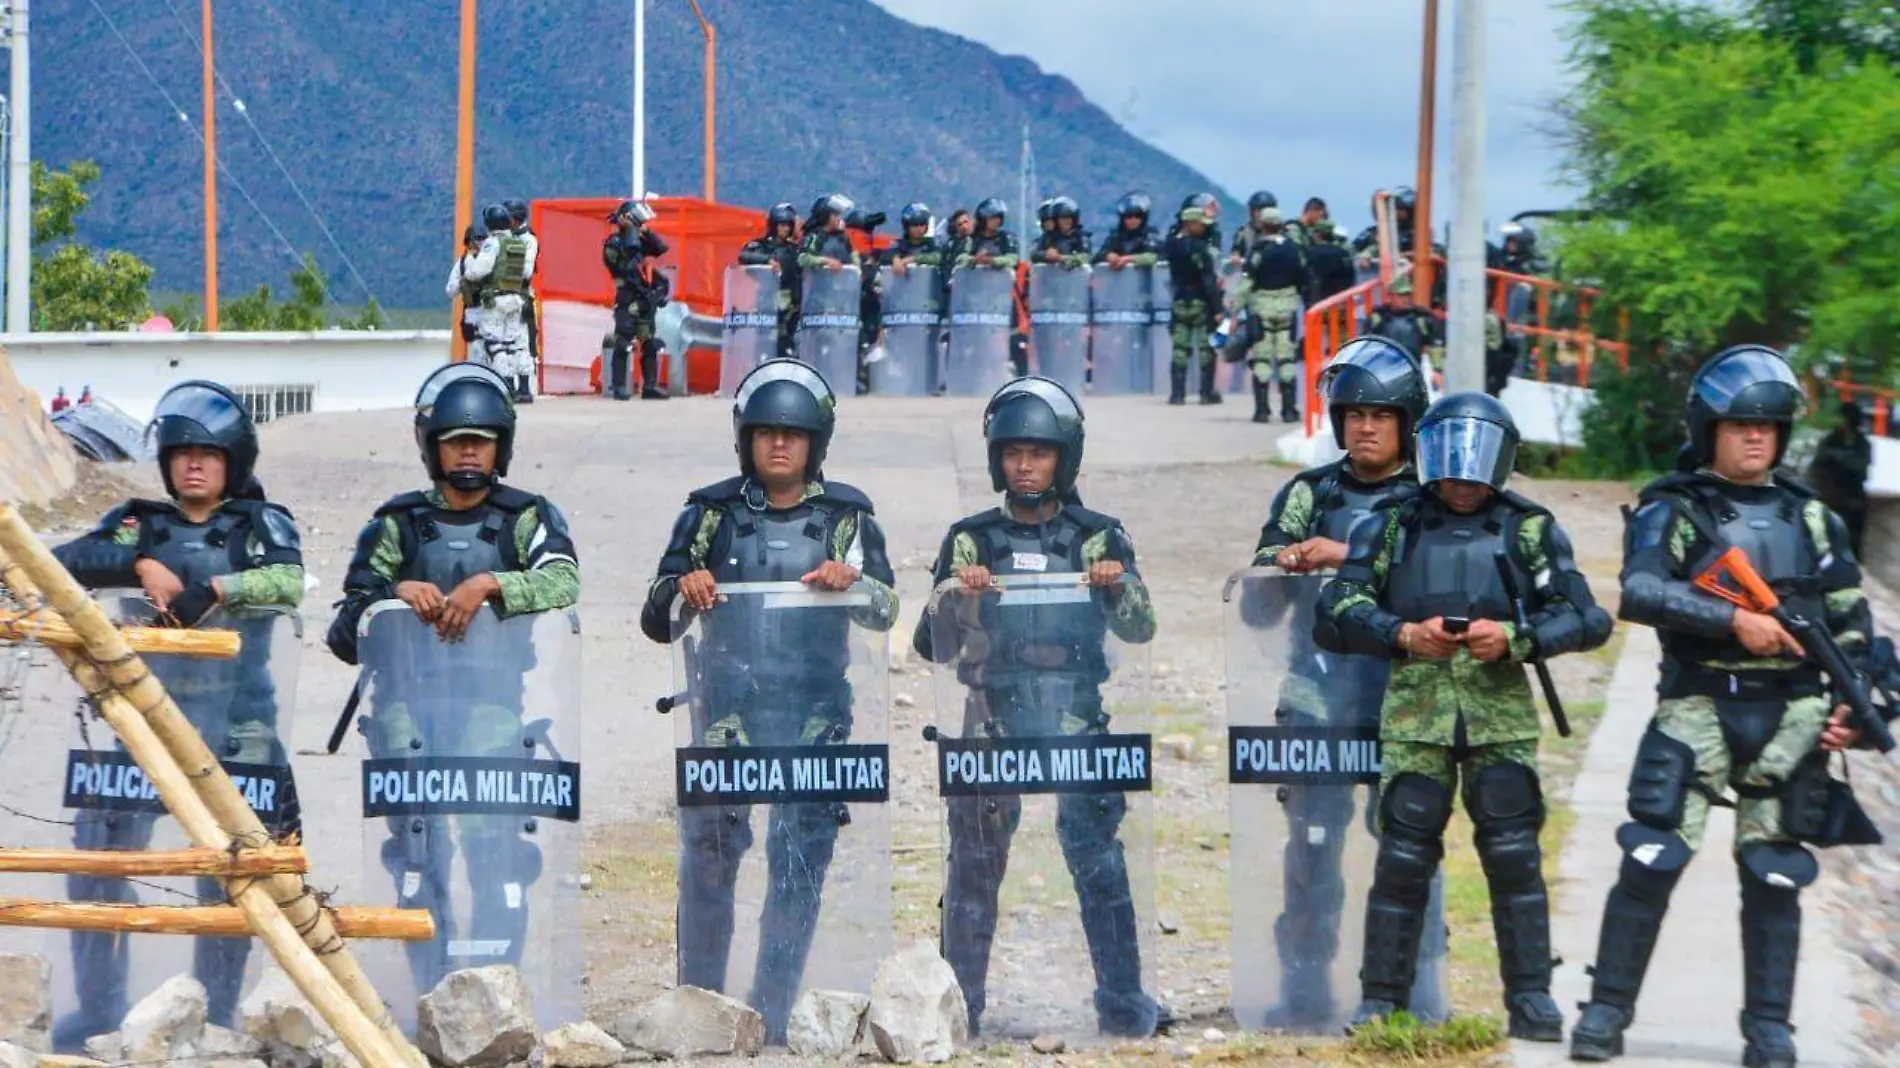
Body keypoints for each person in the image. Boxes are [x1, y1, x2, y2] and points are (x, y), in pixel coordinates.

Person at [1569, 347, 1877, 1068]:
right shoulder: (1675, 509)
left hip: (1794, 715)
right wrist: (1732, 621)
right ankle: (1605, 1012)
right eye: (1740, 425)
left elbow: (1851, 622)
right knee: (1651, 854)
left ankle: (1769, 1029)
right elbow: (1640, 593)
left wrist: (1856, 707)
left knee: (1774, 872)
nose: (1755, 438)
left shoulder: (1815, 520)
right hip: (1698, 704)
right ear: (1710, 429)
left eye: (1768, 427)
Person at [1316, 391, 1612, 1039]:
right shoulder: (1391, 524)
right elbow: (1335, 611)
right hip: (1416, 716)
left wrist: (1515, 638)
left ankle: (1531, 998)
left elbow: (1588, 617)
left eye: (1477, 465)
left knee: (1512, 856)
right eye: (1450, 463)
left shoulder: (1526, 528)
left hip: (1497, 716)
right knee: (1401, 857)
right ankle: (1380, 1000)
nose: (1462, 480)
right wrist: (1400, 633)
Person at [639, 359, 897, 1043]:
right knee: (711, 857)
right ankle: (700, 1008)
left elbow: (886, 608)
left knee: (800, 863)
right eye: (766, 433)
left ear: (816, 441)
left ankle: (774, 1011)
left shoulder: (847, 517)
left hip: (814, 715)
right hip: (728, 712)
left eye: (793, 434)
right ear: (745, 438)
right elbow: (654, 610)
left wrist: (855, 580)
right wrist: (684, 586)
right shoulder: (710, 514)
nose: (779, 445)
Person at [913, 376, 1169, 1039]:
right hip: (991, 720)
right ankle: (957, 1011)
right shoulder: (971, 538)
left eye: (1040, 453)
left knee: (1100, 864)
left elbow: (1142, 629)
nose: (1025, 465)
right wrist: (958, 593)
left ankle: (1124, 1004)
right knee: (973, 870)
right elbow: (929, 644)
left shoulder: (1098, 535)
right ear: (997, 458)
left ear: (1066, 458)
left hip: (1076, 720)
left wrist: (1117, 588)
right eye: (1014, 453)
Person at [50, 380, 304, 1044]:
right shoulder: (142, 522)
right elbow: (67, 562)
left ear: (233, 461)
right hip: (144, 723)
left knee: (230, 877)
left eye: (208, 453)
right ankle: (101, 1011)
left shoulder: (258, 525)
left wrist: (213, 587)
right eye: (181, 451)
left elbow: (287, 578)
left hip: (238, 727)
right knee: (96, 863)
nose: (193, 463)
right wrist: (140, 565)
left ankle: (213, 1018)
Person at [325, 362, 580, 996]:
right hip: (407, 710)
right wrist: (391, 593)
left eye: (481, 440)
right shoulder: (398, 524)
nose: (468, 451)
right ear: (431, 446)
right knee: (419, 855)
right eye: (455, 440)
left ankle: (495, 992)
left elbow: (564, 580)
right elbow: (343, 625)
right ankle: (431, 992)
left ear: (501, 447)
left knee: (497, 850)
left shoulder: (526, 518)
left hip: (490, 708)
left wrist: (490, 584)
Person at [1247, 338, 1449, 1027]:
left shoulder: (1433, 499)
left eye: (1380, 415)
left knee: (1409, 852)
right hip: (1319, 694)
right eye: (1353, 413)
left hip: (1405, 696)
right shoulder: (1310, 492)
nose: (1364, 426)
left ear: (1407, 422)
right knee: (1310, 851)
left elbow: (1445, 574)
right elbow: (1257, 597)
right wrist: (1287, 561)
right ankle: (1302, 994)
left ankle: (1415, 997)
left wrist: (1349, 553)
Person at [1235, 207, 1307, 423]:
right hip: (1288, 308)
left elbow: (1247, 283)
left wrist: (1234, 309)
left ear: (1263, 225)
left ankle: (1262, 411)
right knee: (1287, 359)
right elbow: (1303, 278)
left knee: (1262, 359)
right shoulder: (1293, 250)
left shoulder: (1258, 250)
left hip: (1262, 309)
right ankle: (1288, 410)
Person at [462, 204, 539, 405]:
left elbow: (477, 272)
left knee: (496, 345)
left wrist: (470, 258)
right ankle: (524, 389)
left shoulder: (492, 243)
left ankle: (507, 387)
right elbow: (526, 273)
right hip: (517, 299)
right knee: (516, 345)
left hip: (495, 300)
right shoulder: (519, 243)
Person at [602, 199, 671, 400]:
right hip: (626, 296)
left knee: (649, 341)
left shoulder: (640, 241)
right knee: (623, 341)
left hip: (643, 296)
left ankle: (650, 386)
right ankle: (619, 386)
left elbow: (661, 248)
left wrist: (645, 232)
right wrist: (630, 235)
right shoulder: (614, 243)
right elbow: (624, 267)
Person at [1163, 200, 1224, 406]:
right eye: (1200, 223)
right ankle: (1206, 393)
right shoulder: (1201, 249)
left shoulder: (1172, 245)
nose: (1205, 226)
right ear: (1190, 224)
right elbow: (1208, 279)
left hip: (1179, 300)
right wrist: (1218, 307)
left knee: (1180, 349)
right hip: (1200, 302)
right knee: (1206, 349)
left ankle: (1177, 394)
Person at [737, 202, 804, 363]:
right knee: (765, 344)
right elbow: (744, 256)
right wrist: (767, 260)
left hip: (791, 307)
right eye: (782, 224)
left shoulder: (793, 250)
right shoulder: (761, 245)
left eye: (788, 225)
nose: (785, 228)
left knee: (788, 346)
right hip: (767, 302)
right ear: (773, 225)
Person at [1806, 399, 1872, 558]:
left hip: (1853, 498)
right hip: (1830, 497)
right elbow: (1817, 466)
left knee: (1852, 540)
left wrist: (1840, 459)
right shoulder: (1829, 440)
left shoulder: (1862, 443)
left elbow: (1861, 469)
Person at [1365, 275, 1439, 368]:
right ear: (1390, 296)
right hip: (1384, 370)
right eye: (1401, 295)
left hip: (1413, 371)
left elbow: (1434, 345)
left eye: (1408, 295)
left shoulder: (1420, 318)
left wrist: (1437, 369)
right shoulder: (1377, 318)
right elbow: (1365, 346)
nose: (1406, 299)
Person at [505, 199, 542, 374]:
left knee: (524, 343)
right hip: (503, 296)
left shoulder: (528, 240)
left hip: (521, 295)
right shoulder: (504, 238)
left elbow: (526, 271)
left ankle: (525, 386)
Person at [446, 222, 489, 366]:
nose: (478, 244)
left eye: (481, 240)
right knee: (477, 358)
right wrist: (464, 283)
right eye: (475, 240)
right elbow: (451, 290)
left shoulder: (490, 261)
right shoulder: (463, 263)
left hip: (491, 314)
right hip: (473, 315)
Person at [1094, 193, 1161, 269]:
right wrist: (1108, 256)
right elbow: (1096, 258)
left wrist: (1129, 259)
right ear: (1122, 218)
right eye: (1129, 215)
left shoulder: (1149, 235)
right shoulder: (1115, 236)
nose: (1133, 219)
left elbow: (1155, 257)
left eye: (1138, 215)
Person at [1306, 221, 1358, 306]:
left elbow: (1307, 279)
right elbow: (1351, 278)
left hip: (1319, 306)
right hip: (1341, 304)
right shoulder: (1343, 253)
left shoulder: (1311, 254)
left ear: (1318, 235)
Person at [1033, 196, 1091, 267]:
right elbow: (1034, 255)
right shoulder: (1048, 238)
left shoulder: (1081, 238)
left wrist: (1060, 258)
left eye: (1067, 218)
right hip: (1051, 277)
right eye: (1061, 219)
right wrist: (1045, 254)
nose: (1064, 222)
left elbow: (1085, 258)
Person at [1230, 190, 1280, 263]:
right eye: (1257, 211)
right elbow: (1236, 253)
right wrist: (1236, 257)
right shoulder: (1243, 234)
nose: (1259, 215)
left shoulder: (1281, 234)